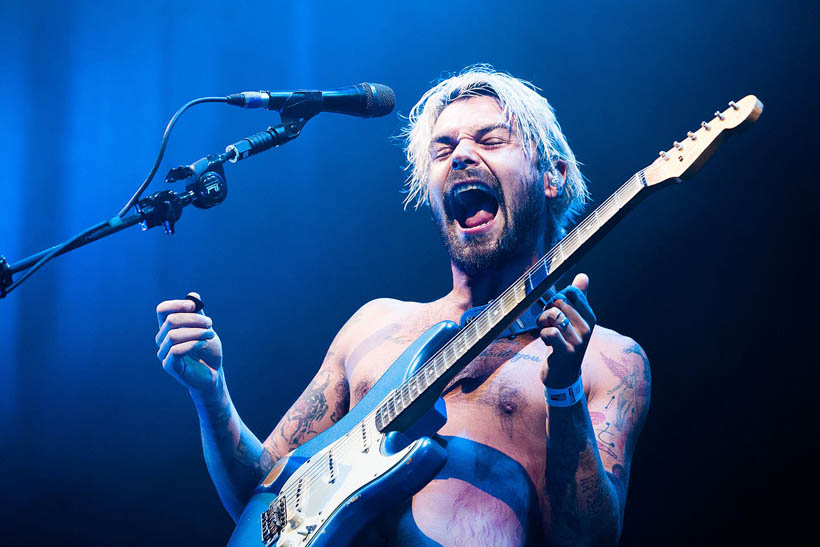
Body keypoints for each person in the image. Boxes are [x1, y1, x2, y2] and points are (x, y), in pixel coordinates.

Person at [154, 65, 650, 546]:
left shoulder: (608, 360)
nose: (461, 157)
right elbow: (267, 509)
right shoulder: (374, 324)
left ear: (553, 175)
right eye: (444, 149)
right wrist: (212, 394)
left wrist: (564, 391)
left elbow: (586, 538)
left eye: (490, 141)